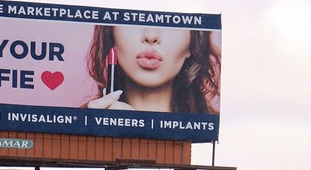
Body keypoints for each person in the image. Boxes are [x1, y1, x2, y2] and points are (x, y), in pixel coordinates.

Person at [85, 24, 220, 113]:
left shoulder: (209, 130)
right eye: (134, 19)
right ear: (111, 34)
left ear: (192, 43)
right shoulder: (82, 122)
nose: (150, 36)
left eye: (171, 23)